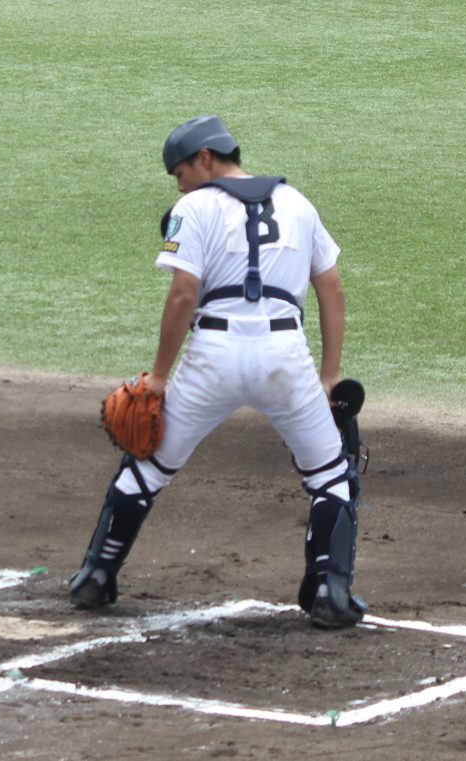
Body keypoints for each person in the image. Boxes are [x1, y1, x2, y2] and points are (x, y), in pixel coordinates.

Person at [68, 116, 366, 630]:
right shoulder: (299, 204)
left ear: (205, 158)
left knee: (147, 468)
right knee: (330, 476)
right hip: (284, 356)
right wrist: (329, 375)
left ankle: (95, 575)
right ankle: (331, 593)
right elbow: (332, 288)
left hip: (214, 355)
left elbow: (184, 294)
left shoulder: (194, 207)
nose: (178, 185)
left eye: (180, 172)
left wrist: (158, 376)